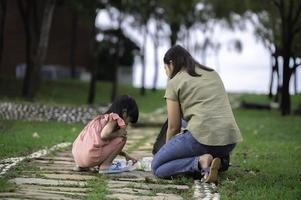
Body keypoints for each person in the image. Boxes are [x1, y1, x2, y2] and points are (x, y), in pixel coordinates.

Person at [151, 45, 243, 182]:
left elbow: (173, 127)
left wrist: (168, 152)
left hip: (202, 139)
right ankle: (220, 161)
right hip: (228, 139)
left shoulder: (174, 82)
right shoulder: (212, 73)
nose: (166, 73)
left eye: (165, 68)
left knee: (157, 167)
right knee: (186, 121)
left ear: (171, 63)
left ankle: (201, 161)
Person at [72, 95, 139, 174]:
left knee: (116, 138)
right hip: (90, 158)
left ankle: (82, 166)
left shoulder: (101, 119)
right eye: (129, 119)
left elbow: (110, 146)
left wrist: (125, 155)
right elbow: (104, 135)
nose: (128, 123)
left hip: (78, 158)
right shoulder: (114, 119)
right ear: (124, 112)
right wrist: (118, 133)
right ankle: (106, 166)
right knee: (122, 138)